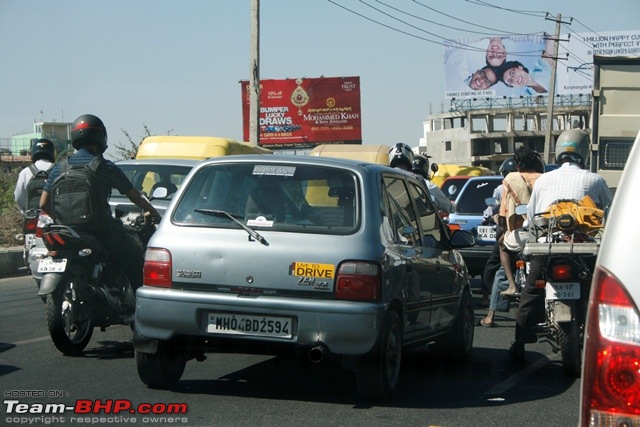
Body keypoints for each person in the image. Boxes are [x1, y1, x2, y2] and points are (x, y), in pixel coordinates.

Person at [509, 130, 613, 362]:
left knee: (530, 292)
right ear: (584, 152)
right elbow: (612, 211)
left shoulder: (544, 179)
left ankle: (519, 343)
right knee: (603, 291)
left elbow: (530, 216)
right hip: (585, 249)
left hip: (547, 248)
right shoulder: (595, 179)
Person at [39, 114, 161, 291]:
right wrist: (152, 211)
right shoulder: (104, 166)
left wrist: (62, 219)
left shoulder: (60, 166)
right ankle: (138, 306)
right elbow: (134, 195)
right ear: (100, 137)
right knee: (134, 259)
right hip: (100, 230)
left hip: (66, 231)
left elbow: (43, 203)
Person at [498, 147, 544, 298]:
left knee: (502, 246)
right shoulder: (544, 178)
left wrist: (504, 232)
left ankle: (512, 284)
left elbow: (504, 213)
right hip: (543, 233)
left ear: (517, 165)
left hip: (521, 235)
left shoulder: (511, 180)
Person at [477, 157, 515, 314]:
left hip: (507, 231)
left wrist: (487, 217)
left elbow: (491, 210)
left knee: (494, 267)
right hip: (528, 233)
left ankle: (489, 304)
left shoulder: (501, 188)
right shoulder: (529, 183)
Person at [14, 138, 55, 213]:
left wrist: (26, 211)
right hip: (53, 216)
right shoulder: (58, 170)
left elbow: (18, 198)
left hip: (32, 217)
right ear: (52, 153)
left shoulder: (25, 172)